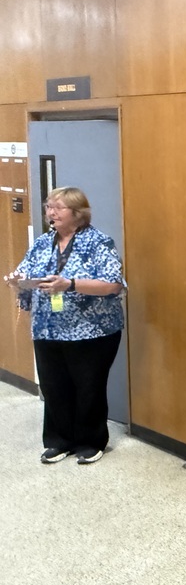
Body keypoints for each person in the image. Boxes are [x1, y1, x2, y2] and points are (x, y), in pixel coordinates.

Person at [3, 186, 125, 465]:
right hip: (48, 328)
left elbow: (113, 284)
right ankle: (59, 441)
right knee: (53, 385)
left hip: (92, 331)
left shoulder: (98, 242)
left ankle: (90, 442)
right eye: (48, 207)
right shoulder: (43, 243)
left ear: (77, 213)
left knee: (88, 386)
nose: (51, 212)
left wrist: (69, 284)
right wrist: (18, 281)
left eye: (58, 207)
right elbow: (27, 273)